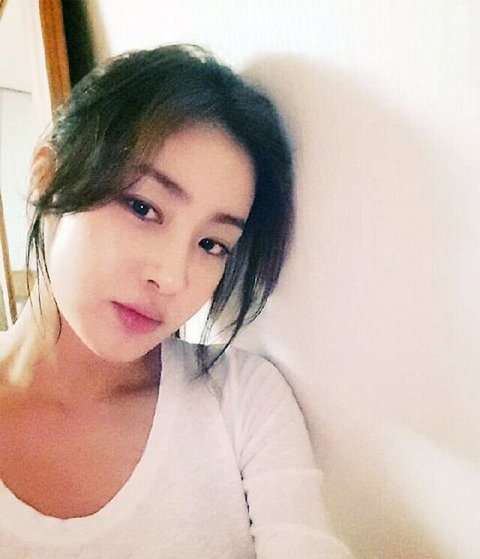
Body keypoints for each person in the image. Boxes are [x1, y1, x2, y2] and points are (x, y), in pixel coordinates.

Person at [0, 45, 351, 558]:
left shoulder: (240, 399)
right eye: (143, 207)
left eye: (212, 244)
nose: (170, 277)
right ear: (48, 174)